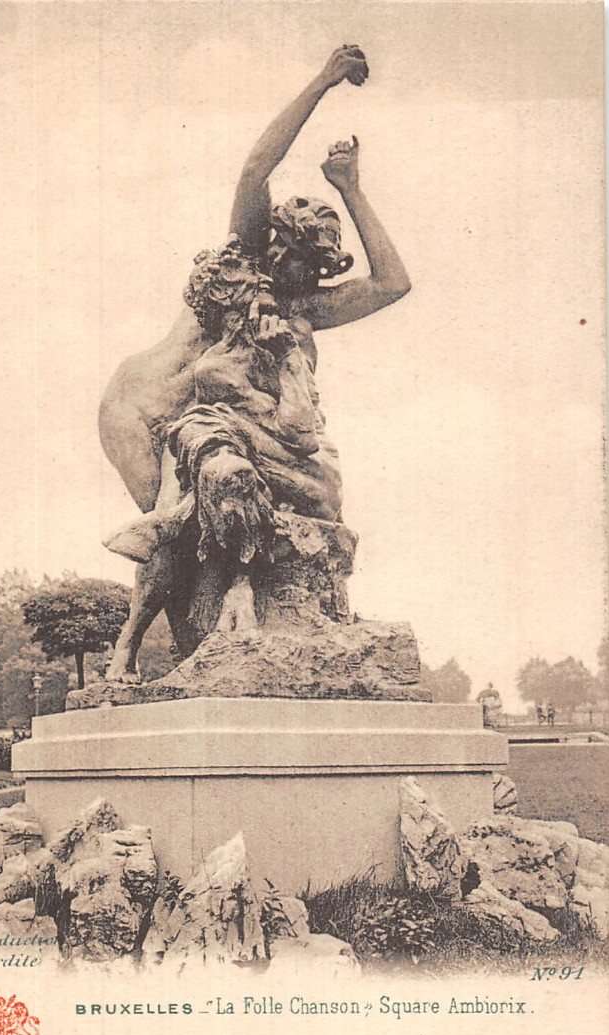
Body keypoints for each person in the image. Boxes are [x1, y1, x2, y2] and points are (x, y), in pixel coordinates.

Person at [101, 45, 411, 681]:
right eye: (293, 258)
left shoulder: (304, 307)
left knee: (258, 509)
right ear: (276, 243)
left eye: (312, 267)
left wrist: (351, 190)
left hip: (252, 423)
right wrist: (322, 81)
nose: (298, 274)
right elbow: (254, 172)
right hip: (151, 405)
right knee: (182, 527)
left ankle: (256, 636)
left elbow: (392, 284)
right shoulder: (243, 262)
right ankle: (143, 651)